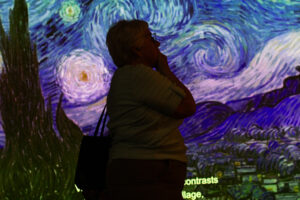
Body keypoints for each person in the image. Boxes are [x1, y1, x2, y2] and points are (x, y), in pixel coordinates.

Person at [103, 19, 196, 200]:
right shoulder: (139, 75)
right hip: (148, 172)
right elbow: (186, 106)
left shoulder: (126, 77)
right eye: (150, 37)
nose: (157, 43)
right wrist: (165, 69)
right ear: (136, 49)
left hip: (138, 170)